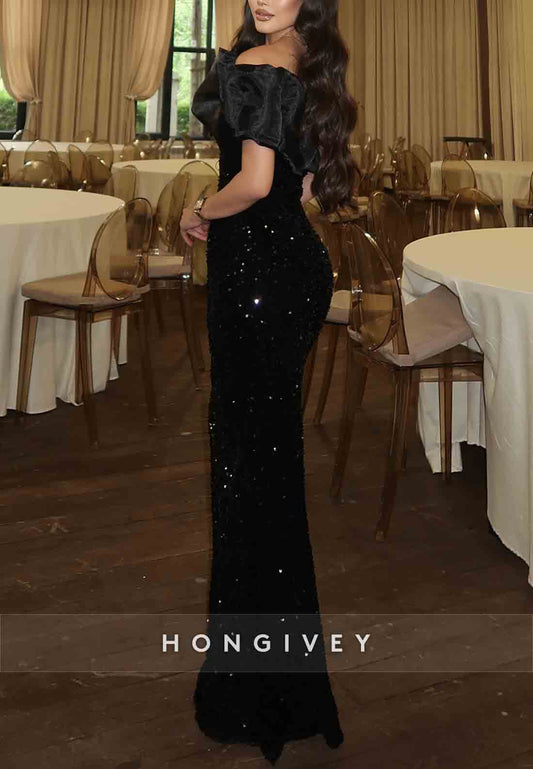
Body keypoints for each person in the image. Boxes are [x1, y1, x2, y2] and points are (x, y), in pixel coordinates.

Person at [180, 0, 357, 763]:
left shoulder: (258, 63)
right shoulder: (308, 61)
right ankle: (284, 682)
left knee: (247, 476)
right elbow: (304, 189)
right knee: (268, 475)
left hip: (254, 280)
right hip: (294, 272)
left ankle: (257, 690)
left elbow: (252, 182)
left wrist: (198, 210)